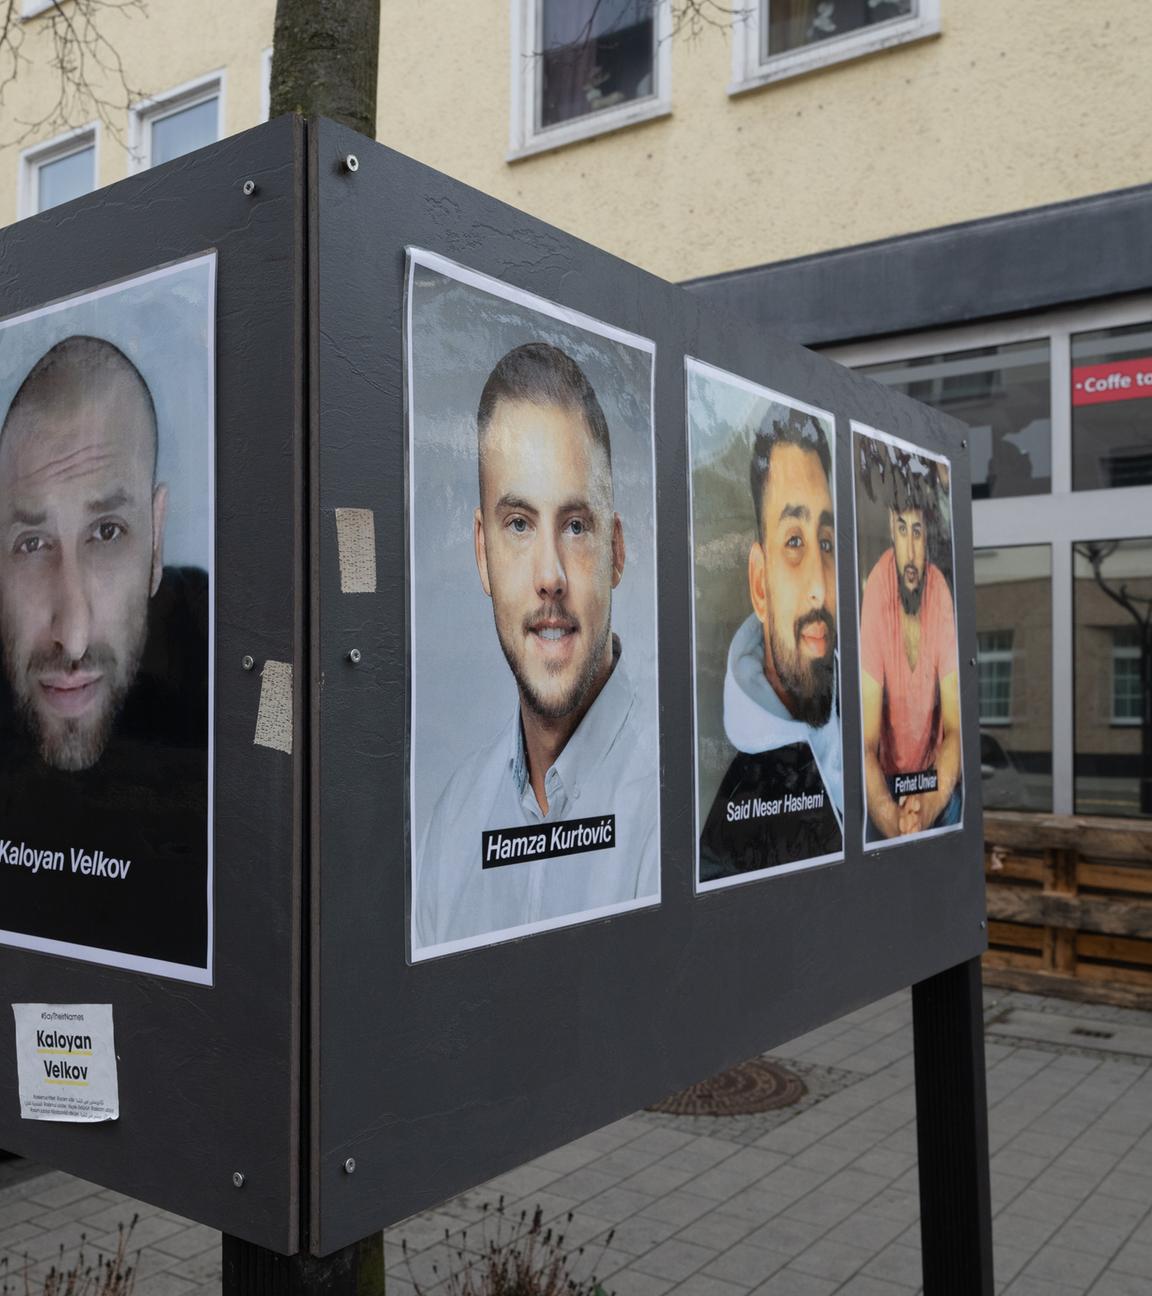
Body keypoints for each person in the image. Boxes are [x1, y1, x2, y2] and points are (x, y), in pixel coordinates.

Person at [414, 342, 658, 952]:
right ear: (481, 554)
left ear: (616, 552)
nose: (550, 574)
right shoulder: (451, 827)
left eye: (575, 525)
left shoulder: (673, 804)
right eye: (519, 524)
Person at [0, 335, 209, 971]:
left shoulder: (221, 674)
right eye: (32, 543)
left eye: (107, 532)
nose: (75, 634)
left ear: (155, 538)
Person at [699, 409, 844, 882]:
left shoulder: (869, 712)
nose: (820, 588)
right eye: (795, 541)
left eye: (826, 542)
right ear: (759, 585)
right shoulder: (727, 823)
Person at [859, 455, 962, 840]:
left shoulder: (940, 592)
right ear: (890, 528)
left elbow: (954, 729)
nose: (911, 549)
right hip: (885, 782)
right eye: (902, 529)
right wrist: (891, 816)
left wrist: (928, 804)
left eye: (917, 531)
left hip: (933, 780)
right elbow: (866, 742)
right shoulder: (876, 593)